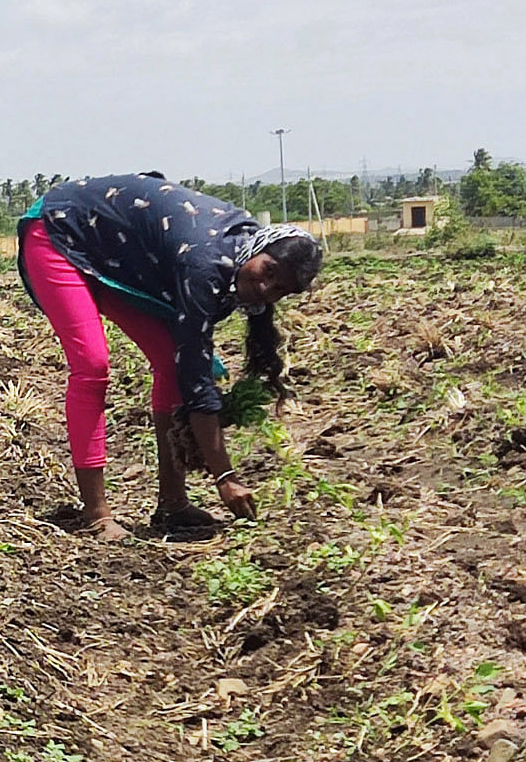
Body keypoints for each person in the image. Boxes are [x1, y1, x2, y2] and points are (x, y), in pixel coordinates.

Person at [17, 172, 325, 537]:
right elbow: (195, 376)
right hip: (60, 231)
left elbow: (187, 363)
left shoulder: (236, 259)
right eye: (269, 271)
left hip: (111, 256)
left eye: (279, 289)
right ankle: (97, 514)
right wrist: (224, 476)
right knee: (93, 366)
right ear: (259, 249)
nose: (265, 287)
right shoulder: (205, 262)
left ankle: (172, 504)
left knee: (169, 362)